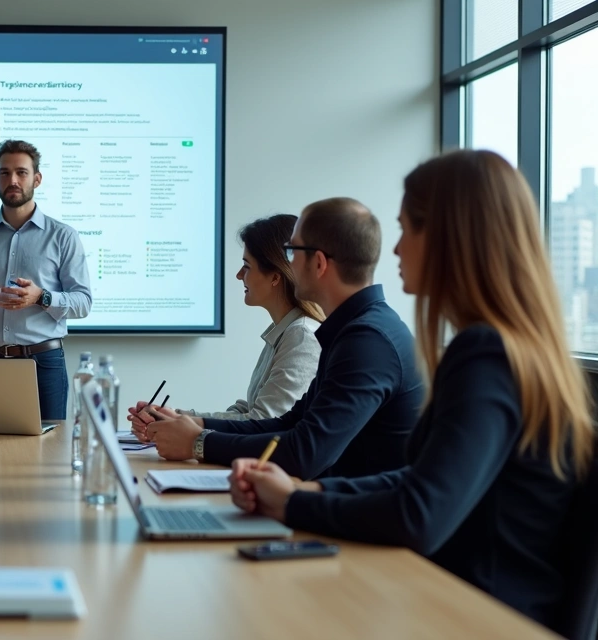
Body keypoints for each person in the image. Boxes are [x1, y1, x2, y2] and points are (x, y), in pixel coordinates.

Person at [229, 150, 595, 627]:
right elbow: (420, 479)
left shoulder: (485, 355)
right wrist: (309, 489)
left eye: (407, 229)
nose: (396, 250)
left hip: (474, 617)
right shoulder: (513, 349)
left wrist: (295, 501)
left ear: (449, 238)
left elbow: (420, 513)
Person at [129, 198, 423, 479]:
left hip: (359, 524)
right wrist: (195, 425)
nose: (288, 265)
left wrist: (199, 442)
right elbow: (289, 423)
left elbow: (306, 453)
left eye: (292, 253)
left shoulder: (367, 341)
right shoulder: (354, 330)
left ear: (318, 263)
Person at [0, 139, 93, 420]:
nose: (12, 180)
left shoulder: (63, 236)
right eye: (5, 172)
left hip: (43, 363)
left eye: (21, 172)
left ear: (37, 178)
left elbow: (83, 303)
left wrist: (42, 297)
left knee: (47, 453)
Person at [171, 214, 324, 421]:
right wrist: (176, 418)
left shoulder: (301, 336)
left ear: (275, 277)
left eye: (247, 266)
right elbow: (250, 411)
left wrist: (184, 424)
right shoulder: (283, 331)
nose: (239, 275)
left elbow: (263, 421)